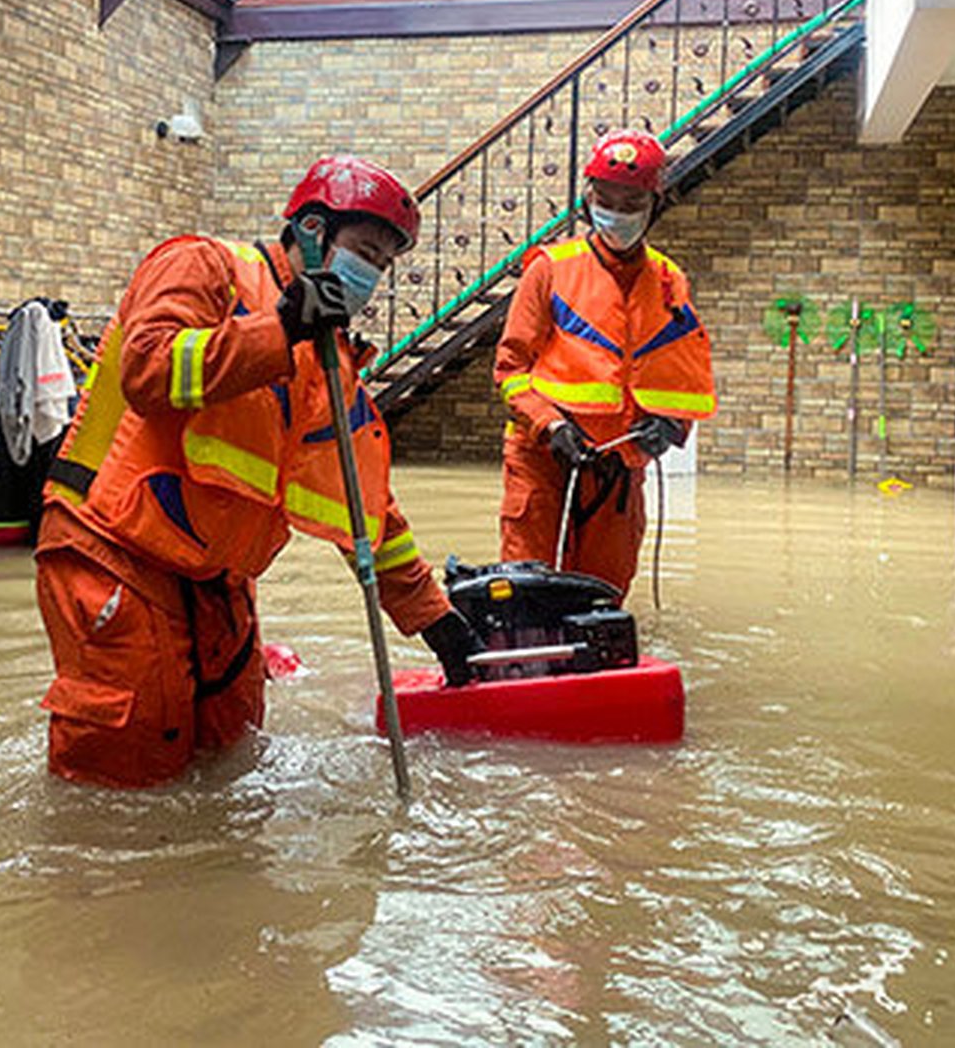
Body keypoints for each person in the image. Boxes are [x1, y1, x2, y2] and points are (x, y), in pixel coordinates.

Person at [35, 156, 484, 788]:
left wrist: (434, 619)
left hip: (218, 581)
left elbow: (365, 513)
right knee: (125, 766)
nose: (371, 276)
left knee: (232, 751)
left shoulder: (331, 367)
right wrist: (280, 330)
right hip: (116, 550)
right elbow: (149, 369)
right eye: (363, 251)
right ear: (309, 228)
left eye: (383, 265)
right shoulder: (204, 266)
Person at [493, 128, 717, 595]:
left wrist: (672, 426)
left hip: (619, 469)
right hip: (544, 459)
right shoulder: (549, 270)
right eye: (606, 199)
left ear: (654, 205)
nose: (616, 213)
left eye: (631, 203)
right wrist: (550, 427)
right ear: (587, 198)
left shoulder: (669, 282)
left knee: (604, 596)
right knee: (529, 593)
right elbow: (511, 371)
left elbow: (681, 376)